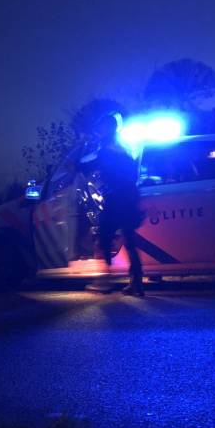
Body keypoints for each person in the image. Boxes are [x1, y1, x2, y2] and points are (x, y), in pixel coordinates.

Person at [85, 113, 145, 296]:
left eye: (100, 127)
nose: (98, 131)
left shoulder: (106, 149)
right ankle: (137, 284)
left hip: (116, 199)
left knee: (103, 236)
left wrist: (76, 165)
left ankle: (105, 281)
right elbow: (132, 173)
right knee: (129, 240)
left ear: (106, 128)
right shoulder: (123, 147)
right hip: (129, 198)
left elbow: (91, 165)